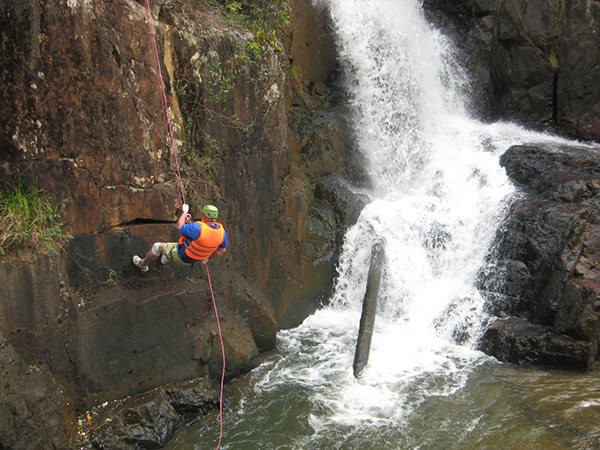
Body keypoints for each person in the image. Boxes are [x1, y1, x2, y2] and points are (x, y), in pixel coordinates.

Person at [132, 204, 228, 272]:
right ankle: (165, 258)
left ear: (203, 215)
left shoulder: (198, 228)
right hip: (197, 259)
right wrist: (207, 258)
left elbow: (180, 226)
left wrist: (184, 212)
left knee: (157, 246)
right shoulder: (221, 232)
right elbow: (221, 250)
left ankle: (142, 264)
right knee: (176, 244)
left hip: (182, 255)